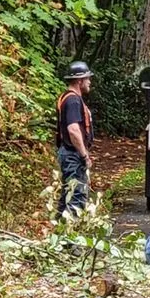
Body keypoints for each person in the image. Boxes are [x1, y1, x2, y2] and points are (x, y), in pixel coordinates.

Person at [56, 61, 95, 217]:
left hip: (68, 154)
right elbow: (73, 130)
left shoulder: (68, 98)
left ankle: (59, 237)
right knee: (76, 199)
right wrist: (84, 155)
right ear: (79, 81)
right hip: (73, 155)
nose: (89, 82)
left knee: (67, 196)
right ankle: (70, 239)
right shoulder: (73, 100)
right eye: (87, 78)